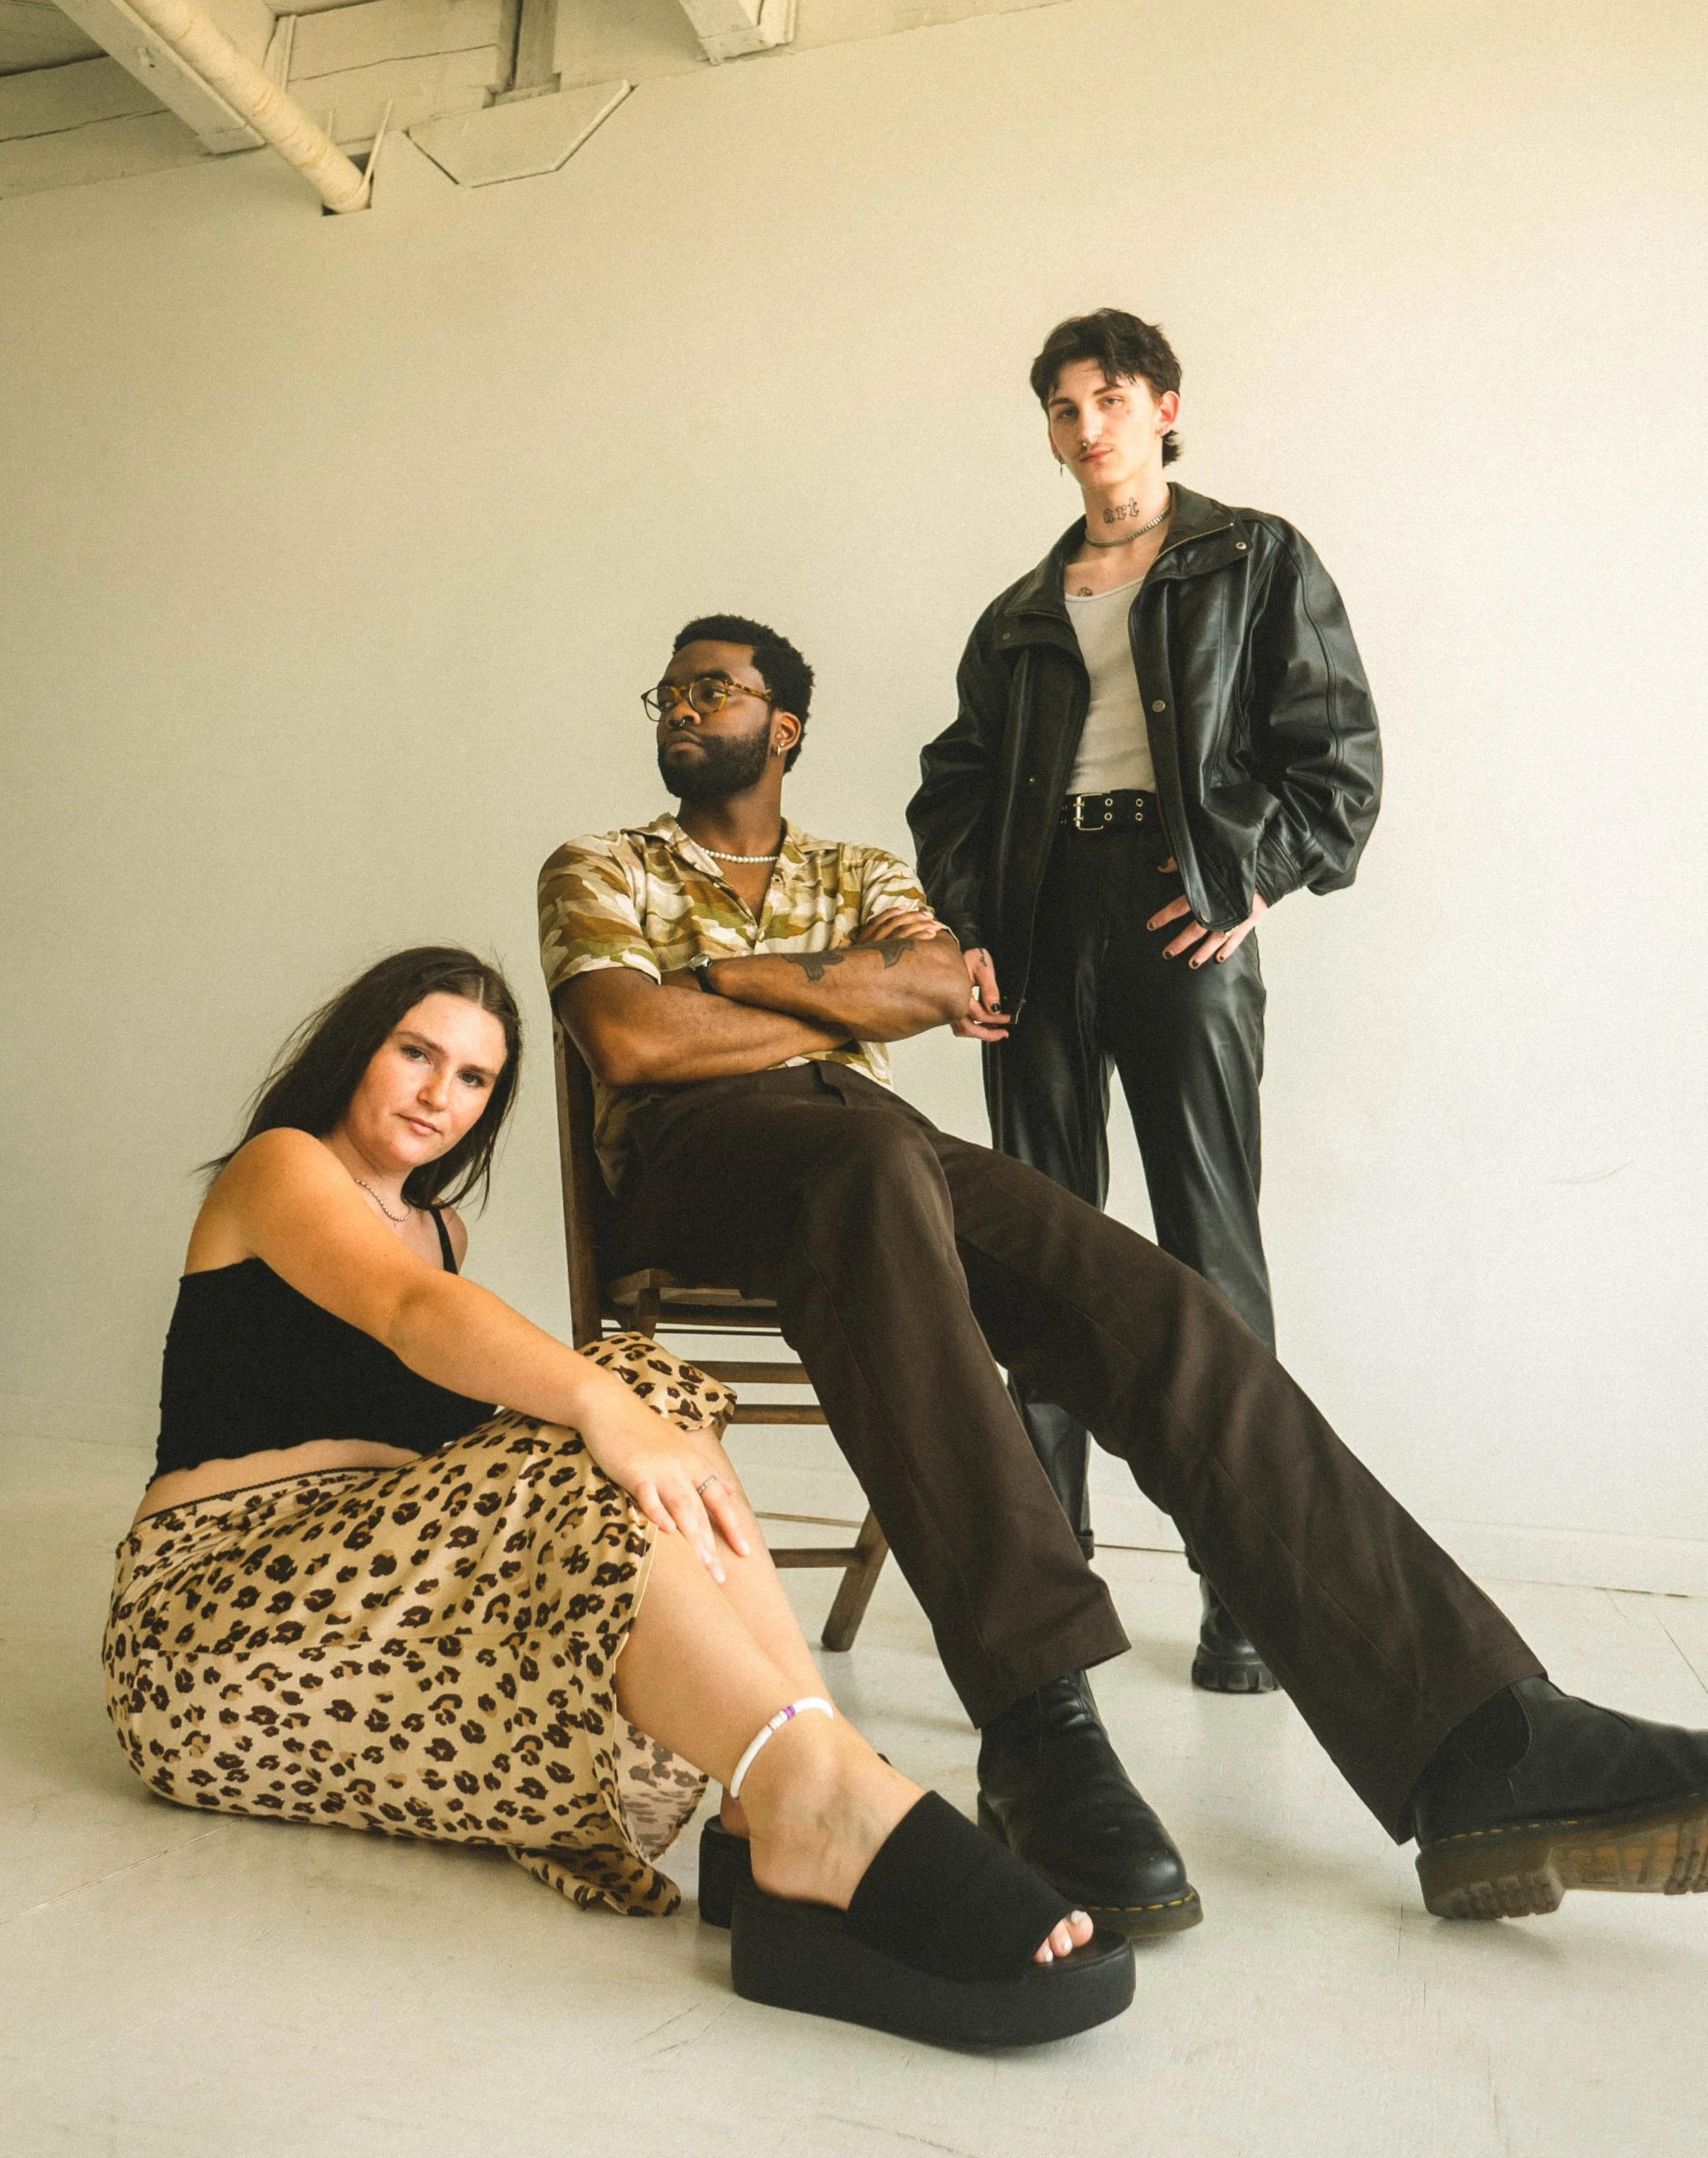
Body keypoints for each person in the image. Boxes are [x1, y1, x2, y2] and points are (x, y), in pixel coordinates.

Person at [540, 615, 1708, 1943]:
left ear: (782, 724)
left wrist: (726, 977)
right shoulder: (600, 864)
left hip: (874, 1150)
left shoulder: (856, 863)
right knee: (865, 1173)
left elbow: (935, 978)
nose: (681, 707)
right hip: (699, 1160)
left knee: (1147, 1304)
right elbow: (628, 1037)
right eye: (670, 690)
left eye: (713, 687)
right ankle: (1038, 1724)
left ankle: (1486, 1746)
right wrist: (831, 995)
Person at [102, 945, 1138, 2052]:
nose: (437, 1095)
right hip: (210, 1629)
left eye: (473, 1079)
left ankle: (789, 1786)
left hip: (366, 1620)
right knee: (614, 1394)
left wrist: (608, 1423)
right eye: (417, 1053)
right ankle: (815, 1795)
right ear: (360, 1047)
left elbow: (473, 1402)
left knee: (632, 1408)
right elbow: (406, 1312)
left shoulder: (445, 1232)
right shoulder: (281, 1167)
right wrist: (601, 1406)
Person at [909, 307, 1381, 1697]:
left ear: (1163, 406)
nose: (1084, 427)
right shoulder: (1015, 615)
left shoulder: (1252, 559)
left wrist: (1253, 877)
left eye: (1106, 398)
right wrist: (974, 932)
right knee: (1033, 1254)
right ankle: (1048, 1602)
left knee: (1206, 1254)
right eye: (1060, 408)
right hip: (1044, 919)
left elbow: (1335, 763)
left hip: (1181, 923)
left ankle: (1249, 1597)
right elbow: (953, 786)